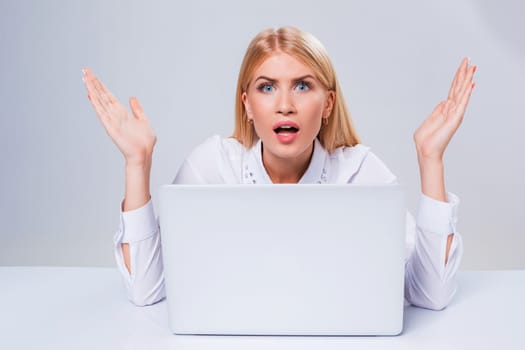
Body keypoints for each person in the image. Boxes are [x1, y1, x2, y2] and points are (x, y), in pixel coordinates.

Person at [82, 26, 476, 310]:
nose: (284, 104)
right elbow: (146, 291)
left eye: (303, 86)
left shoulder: (360, 172)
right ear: (247, 106)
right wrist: (138, 164)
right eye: (267, 87)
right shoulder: (212, 166)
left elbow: (431, 294)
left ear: (327, 105)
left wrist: (431, 158)